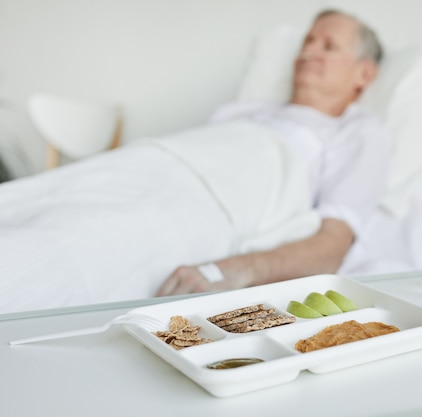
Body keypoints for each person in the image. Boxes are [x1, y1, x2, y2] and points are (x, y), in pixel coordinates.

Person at [0, 9, 392, 313]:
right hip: (146, 163)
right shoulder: (245, 111)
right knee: (25, 199)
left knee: (62, 248)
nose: (308, 52)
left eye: (328, 46)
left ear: (364, 73)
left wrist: (238, 269)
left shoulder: (359, 132)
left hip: (208, 204)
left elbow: (333, 245)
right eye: (307, 41)